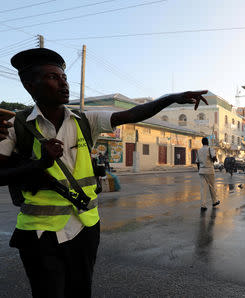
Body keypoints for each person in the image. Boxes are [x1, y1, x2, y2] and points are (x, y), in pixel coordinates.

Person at [0, 48, 208, 297]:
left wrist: (170, 98)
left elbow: (132, 114)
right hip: (39, 232)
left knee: (81, 291)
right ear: (29, 85)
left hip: (85, 227)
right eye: (53, 77)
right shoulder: (13, 127)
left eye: (64, 78)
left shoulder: (86, 120)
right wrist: (38, 164)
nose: (63, 83)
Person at [195, 137, 220, 211]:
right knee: (212, 187)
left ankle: (203, 205)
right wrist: (215, 158)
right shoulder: (210, 149)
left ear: (202, 143)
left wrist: (199, 169)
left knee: (203, 188)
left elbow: (197, 162)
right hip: (209, 171)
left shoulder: (199, 151)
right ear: (207, 142)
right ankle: (214, 201)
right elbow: (214, 158)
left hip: (201, 171)